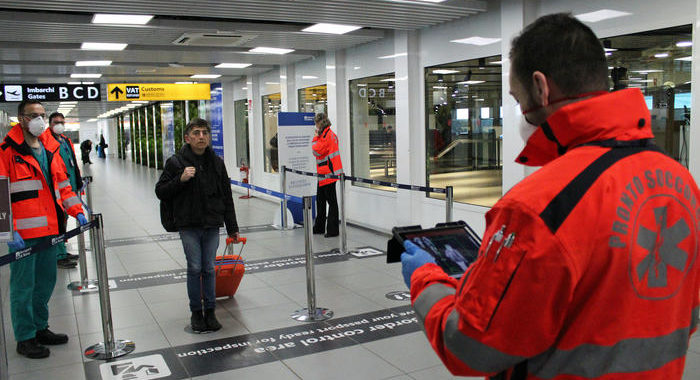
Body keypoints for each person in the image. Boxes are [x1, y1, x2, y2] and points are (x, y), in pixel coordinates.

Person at [401, 13, 699, 379]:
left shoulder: (537, 206)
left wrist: (426, 282)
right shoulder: (681, 182)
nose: (518, 111)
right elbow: (686, 309)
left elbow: (473, 347)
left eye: (515, 97)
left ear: (541, 87)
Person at [1, 100, 88, 359]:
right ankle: (25, 337)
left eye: (42, 115)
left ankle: (40, 327)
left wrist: (77, 211)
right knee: (23, 287)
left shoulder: (50, 148)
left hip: (51, 231)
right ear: (21, 119)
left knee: (45, 283)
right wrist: (6, 230)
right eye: (32, 115)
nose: (38, 120)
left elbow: (63, 185)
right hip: (23, 236)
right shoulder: (7, 151)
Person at [155, 118, 239, 333]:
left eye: (204, 133)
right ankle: (196, 312)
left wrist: (232, 227)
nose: (201, 137)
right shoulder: (176, 163)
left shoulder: (217, 163)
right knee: (195, 268)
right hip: (188, 224)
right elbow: (160, 191)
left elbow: (226, 196)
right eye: (196, 133)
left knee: (209, 268)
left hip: (212, 224)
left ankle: (210, 311)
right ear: (187, 138)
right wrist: (180, 179)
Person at [42, 112, 83, 269]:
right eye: (55, 122)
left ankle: (62, 250)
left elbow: (72, 162)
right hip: (56, 190)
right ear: (50, 123)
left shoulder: (65, 140)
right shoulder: (45, 140)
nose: (59, 124)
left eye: (61, 122)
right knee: (58, 221)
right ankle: (58, 255)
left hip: (68, 187)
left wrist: (77, 182)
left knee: (64, 221)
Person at [311, 113, 343, 238]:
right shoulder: (325, 134)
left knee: (331, 202)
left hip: (329, 173)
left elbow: (316, 150)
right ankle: (319, 227)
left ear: (320, 123)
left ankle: (332, 230)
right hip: (323, 173)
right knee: (320, 201)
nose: (316, 126)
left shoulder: (327, 135)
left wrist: (315, 137)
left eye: (316, 124)